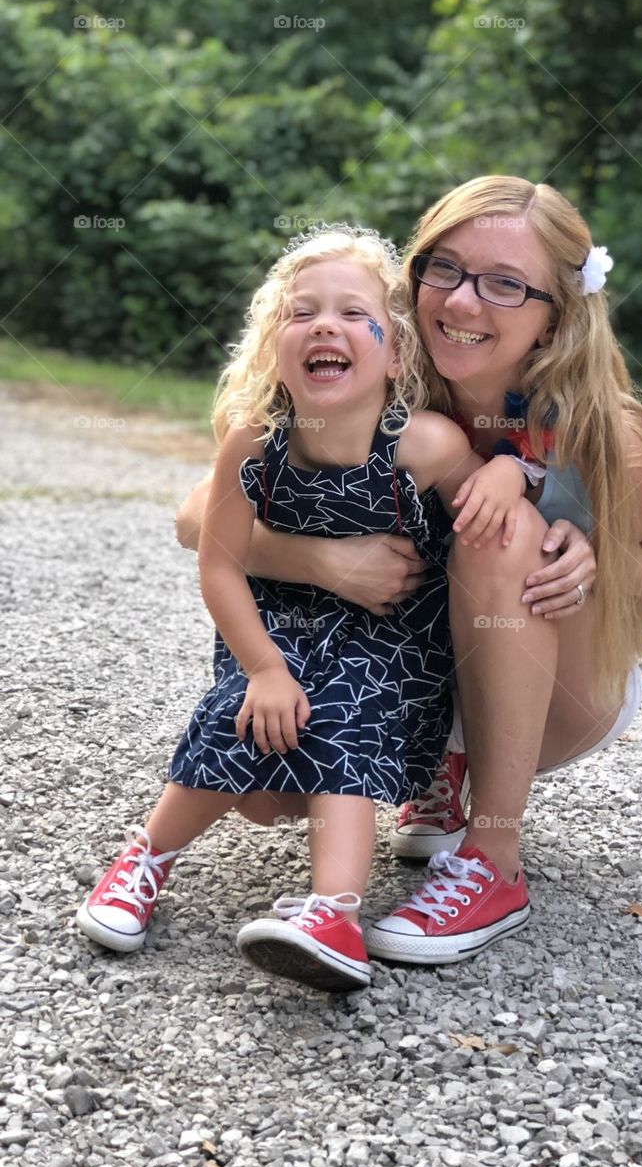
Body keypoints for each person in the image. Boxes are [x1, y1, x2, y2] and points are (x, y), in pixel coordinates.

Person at [175, 177, 642, 967]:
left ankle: (494, 861)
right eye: (447, 270)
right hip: (418, 673)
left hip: (560, 685)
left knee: (504, 532)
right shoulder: (377, 369)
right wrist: (325, 560)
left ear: (556, 316)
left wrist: (598, 558)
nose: (465, 303)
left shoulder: (597, 426)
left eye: (506, 285)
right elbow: (197, 516)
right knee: (266, 796)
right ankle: (437, 765)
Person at [75, 225, 532, 991]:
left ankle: (333, 913)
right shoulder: (254, 447)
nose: (326, 325)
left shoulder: (426, 446)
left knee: (346, 719)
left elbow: (487, 539)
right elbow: (218, 566)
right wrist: (260, 669)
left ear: (395, 355)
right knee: (233, 718)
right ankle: (142, 859)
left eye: (356, 315)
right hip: (276, 635)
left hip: (394, 648)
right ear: (274, 345)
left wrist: (514, 476)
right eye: (302, 313)